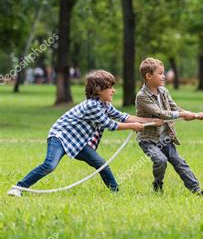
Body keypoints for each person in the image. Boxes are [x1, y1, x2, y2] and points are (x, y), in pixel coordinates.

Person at [7, 70, 161, 197]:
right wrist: (132, 126)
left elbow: (124, 117)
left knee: (101, 164)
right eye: (110, 87)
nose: (113, 91)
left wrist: (151, 120)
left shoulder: (105, 105)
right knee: (50, 165)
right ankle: (19, 187)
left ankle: (116, 193)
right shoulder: (92, 106)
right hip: (60, 136)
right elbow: (110, 124)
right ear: (98, 90)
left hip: (78, 142)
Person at [135, 58, 203, 196]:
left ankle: (196, 190)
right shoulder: (142, 96)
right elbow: (160, 113)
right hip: (148, 139)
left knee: (179, 162)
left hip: (165, 138)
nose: (164, 76)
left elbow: (175, 109)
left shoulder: (164, 92)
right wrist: (182, 114)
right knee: (161, 160)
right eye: (160, 73)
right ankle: (157, 184)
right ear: (149, 76)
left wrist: (194, 115)